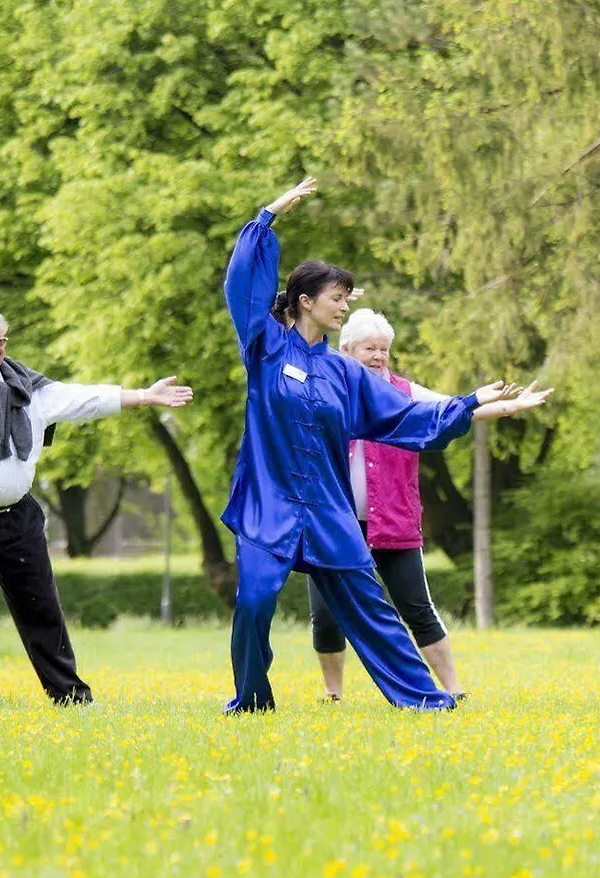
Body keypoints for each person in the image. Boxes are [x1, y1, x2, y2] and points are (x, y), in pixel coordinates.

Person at [223, 177, 523, 712]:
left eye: (344, 299)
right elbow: (243, 285)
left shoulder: (344, 372)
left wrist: (468, 403)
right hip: (268, 503)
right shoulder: (265, 347)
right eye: (336, 300)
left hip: (328, 513)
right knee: (253, 603)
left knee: (372, 610)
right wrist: (268, 215)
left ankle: (425, 699)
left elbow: (405, 417)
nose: (344, 308)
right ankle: (250, 700)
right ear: (305, 301)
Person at [0, 270, 195, 704]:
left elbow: (85, 399)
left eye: (0, 342)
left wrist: (143, 396)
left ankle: (71, 697)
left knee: (43, 610)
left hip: (18, 517)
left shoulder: (28, 389)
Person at [306, 308, 551, 701]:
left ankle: (454, 688)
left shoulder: (405, 393)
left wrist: (509, 407)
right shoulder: (327, 387)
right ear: (347, 349)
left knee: (417, 608)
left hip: (393, 522)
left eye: (384, 349)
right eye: (370, 348)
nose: (378, 356)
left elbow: (452, 410)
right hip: (335, 523)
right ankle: (333, 694)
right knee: (326, 614)